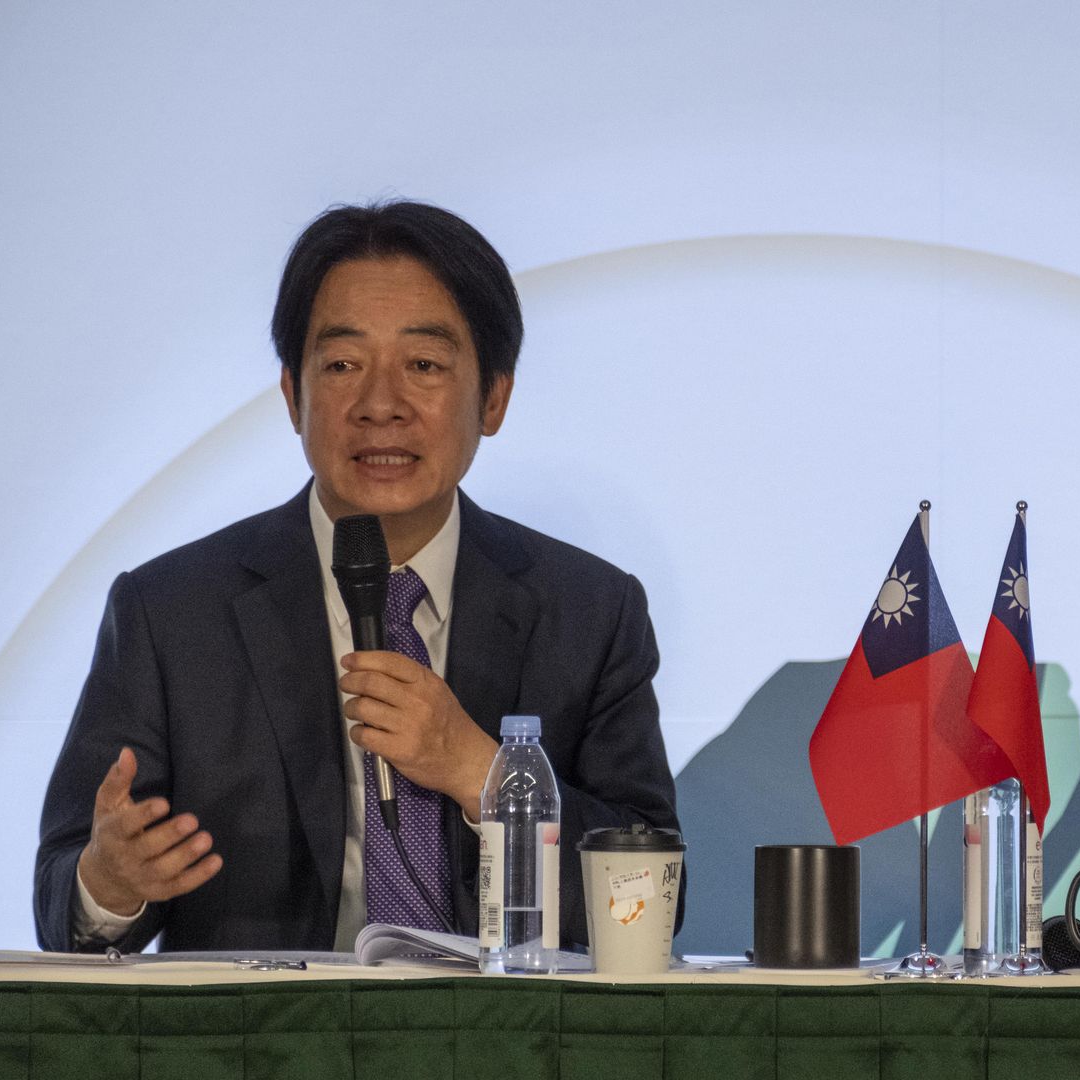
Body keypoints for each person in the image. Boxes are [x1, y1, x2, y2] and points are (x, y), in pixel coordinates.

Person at [34, 201, 679, 953]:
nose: (380, 406)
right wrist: (109, 883)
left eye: (424, 366)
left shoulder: (592, 611)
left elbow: (658, 899)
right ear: (292, 396)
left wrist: (487, 775)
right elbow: (63, 903)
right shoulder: (171, 612)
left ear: (494, 397)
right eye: (342, 365)